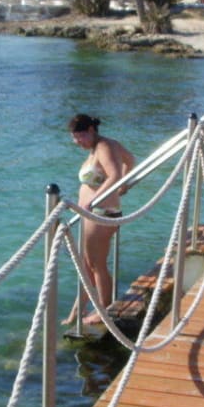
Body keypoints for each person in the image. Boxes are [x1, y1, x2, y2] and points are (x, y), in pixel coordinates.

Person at [64, 113, 135, 326]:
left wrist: (93, 200)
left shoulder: (104, 147)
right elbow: (130, 160)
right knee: (88, 265)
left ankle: (104, 310)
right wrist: (123, 185)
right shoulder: (103, 146)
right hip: (96, 213)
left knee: (97, 265)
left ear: (92, 130)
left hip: (101, 213)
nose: (78, 141)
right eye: (75, 137)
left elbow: (114, 175)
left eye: (81, 136)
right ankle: (78, 309)